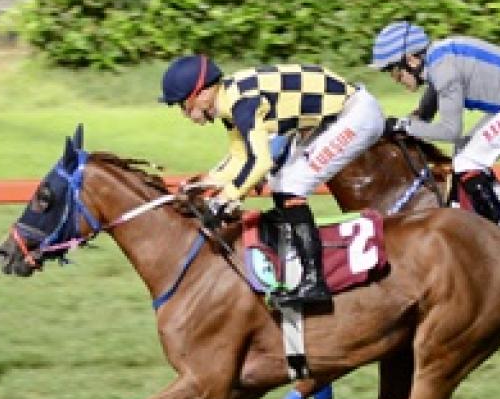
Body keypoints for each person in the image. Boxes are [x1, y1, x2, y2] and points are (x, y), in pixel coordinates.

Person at [160, 54, 386, 306]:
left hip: (356, 116)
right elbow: (238, 157)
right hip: (338, 114)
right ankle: (298, 262)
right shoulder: (230, 99)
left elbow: (260, 162)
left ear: (201, 94)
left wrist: (224, 200)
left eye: (183, 105)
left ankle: (314, 282)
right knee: (280, 183)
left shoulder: (241, 103)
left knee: (291, 185)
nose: (185, 113)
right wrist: (203, 186)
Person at [369, 21, 500, 232]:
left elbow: (450, 131)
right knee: (464, 150)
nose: (395, 79)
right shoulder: (438, 59)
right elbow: (428, 106)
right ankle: (494, 205)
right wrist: (410, 122)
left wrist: (404, 125)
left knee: (467, 161)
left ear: (412, 60)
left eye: (394, 71)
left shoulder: (444, 71)